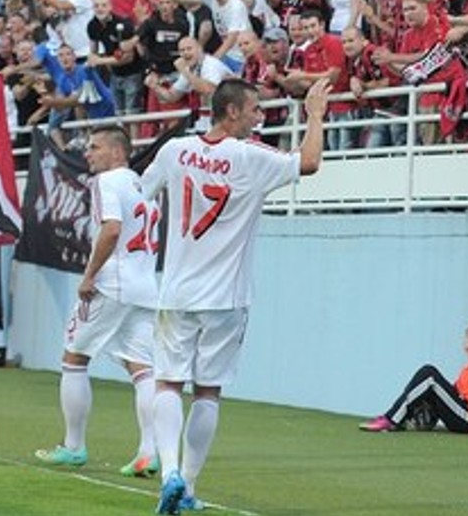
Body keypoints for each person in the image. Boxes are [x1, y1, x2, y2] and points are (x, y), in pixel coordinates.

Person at [140, 77, 329, 515]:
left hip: (177, 292)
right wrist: (316, 115)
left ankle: (169, 472)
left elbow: (143, 194)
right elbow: (309, 162)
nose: (258, 116)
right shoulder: (250, 156)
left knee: (167, 382)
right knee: (207, 391)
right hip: (227, 297)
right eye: (254, 109)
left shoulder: (173, 150)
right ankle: (188, 486)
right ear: (231, 111)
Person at [35, 126, 159, 478]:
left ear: (117, 152)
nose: (87, 153)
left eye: (95, 147)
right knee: (143, 368)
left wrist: (89, 275)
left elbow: (112, 229)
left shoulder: (107, 181)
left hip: (112, 284)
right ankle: (148, 452)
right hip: (144, 285)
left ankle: (73, 446)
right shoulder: (143, 185)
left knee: (74, 357)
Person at [358, 325, 468, 434]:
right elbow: (450, 394)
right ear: (465, 346)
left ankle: (391, 419)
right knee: (430, 386)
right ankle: (413, 419)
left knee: (429, 373)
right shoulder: (467, 371)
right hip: (461, 413)